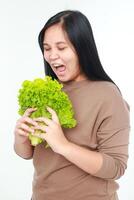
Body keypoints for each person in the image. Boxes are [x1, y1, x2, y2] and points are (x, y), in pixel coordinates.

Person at [14, 10, 130, 200]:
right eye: (47, 48)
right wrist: (21, 138)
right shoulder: (50, 91)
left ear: (82, 48)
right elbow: (27, 154)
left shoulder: (108, 95)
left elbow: (116, 167)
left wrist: (62, 145)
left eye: (61, 47)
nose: (52, 56)